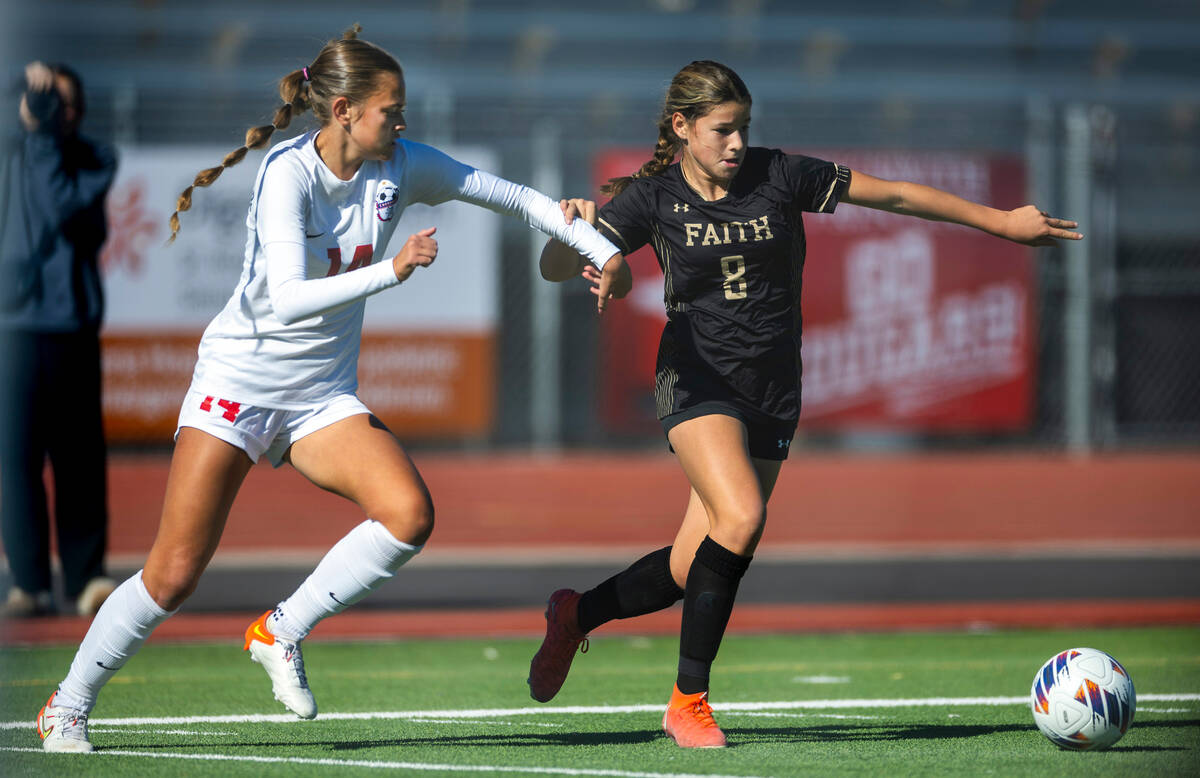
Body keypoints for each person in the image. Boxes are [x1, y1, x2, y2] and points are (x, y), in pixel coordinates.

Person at [34, 26, 625, 753]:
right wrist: (394, 271)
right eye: (391, 111)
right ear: (343, 110)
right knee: (174, 573)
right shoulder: (287, 173)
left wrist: (591, 240)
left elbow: (506, 195)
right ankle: (67, 704)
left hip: (319, 394)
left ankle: (279, 629)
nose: (402, 124)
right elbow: (287, 300)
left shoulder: (401, 166)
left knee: (408, 515)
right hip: (238, 383)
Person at [529, 60, 1083, 749]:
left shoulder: (781, 174)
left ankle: (576, 614)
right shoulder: (650, 199)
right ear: (682, 128)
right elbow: (561, 267)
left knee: (687, 563)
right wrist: (570, 232)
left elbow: (900, 198)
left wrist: (1000, 222)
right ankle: (688, 702)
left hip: (773, 388)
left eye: (744, 129)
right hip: (696, 379)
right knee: (742, 515)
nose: (737, 144)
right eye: (723, 130)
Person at [0, 61, 117, 619]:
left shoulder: (95, 159)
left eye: (66, 102)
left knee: (78, 458)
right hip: (11, 329)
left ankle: (86, 575)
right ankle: (27, 582)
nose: (57, 111)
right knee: (14, 458)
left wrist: (42, 138)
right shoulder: (10, 148)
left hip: (70, 325)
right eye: (47, 100)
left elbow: (53, 207)